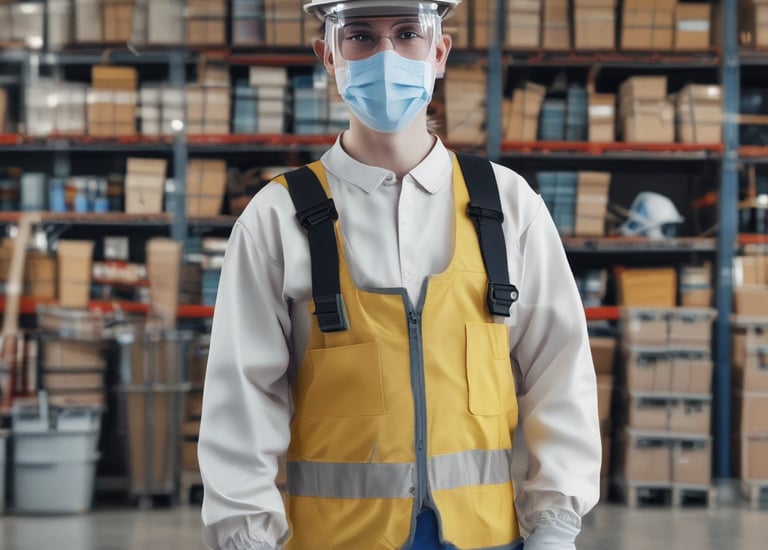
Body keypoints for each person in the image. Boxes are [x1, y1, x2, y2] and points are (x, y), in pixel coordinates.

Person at [197, 0, 602, 548]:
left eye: (409, 33)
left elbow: (560, 373)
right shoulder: (278, 217)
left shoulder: (508, 205)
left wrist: (554, 525)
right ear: (328, 55)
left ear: (439, 51)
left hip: (485, 539)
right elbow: (241, 398)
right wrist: (246, 537)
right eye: (360, 36)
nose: (386, 55)